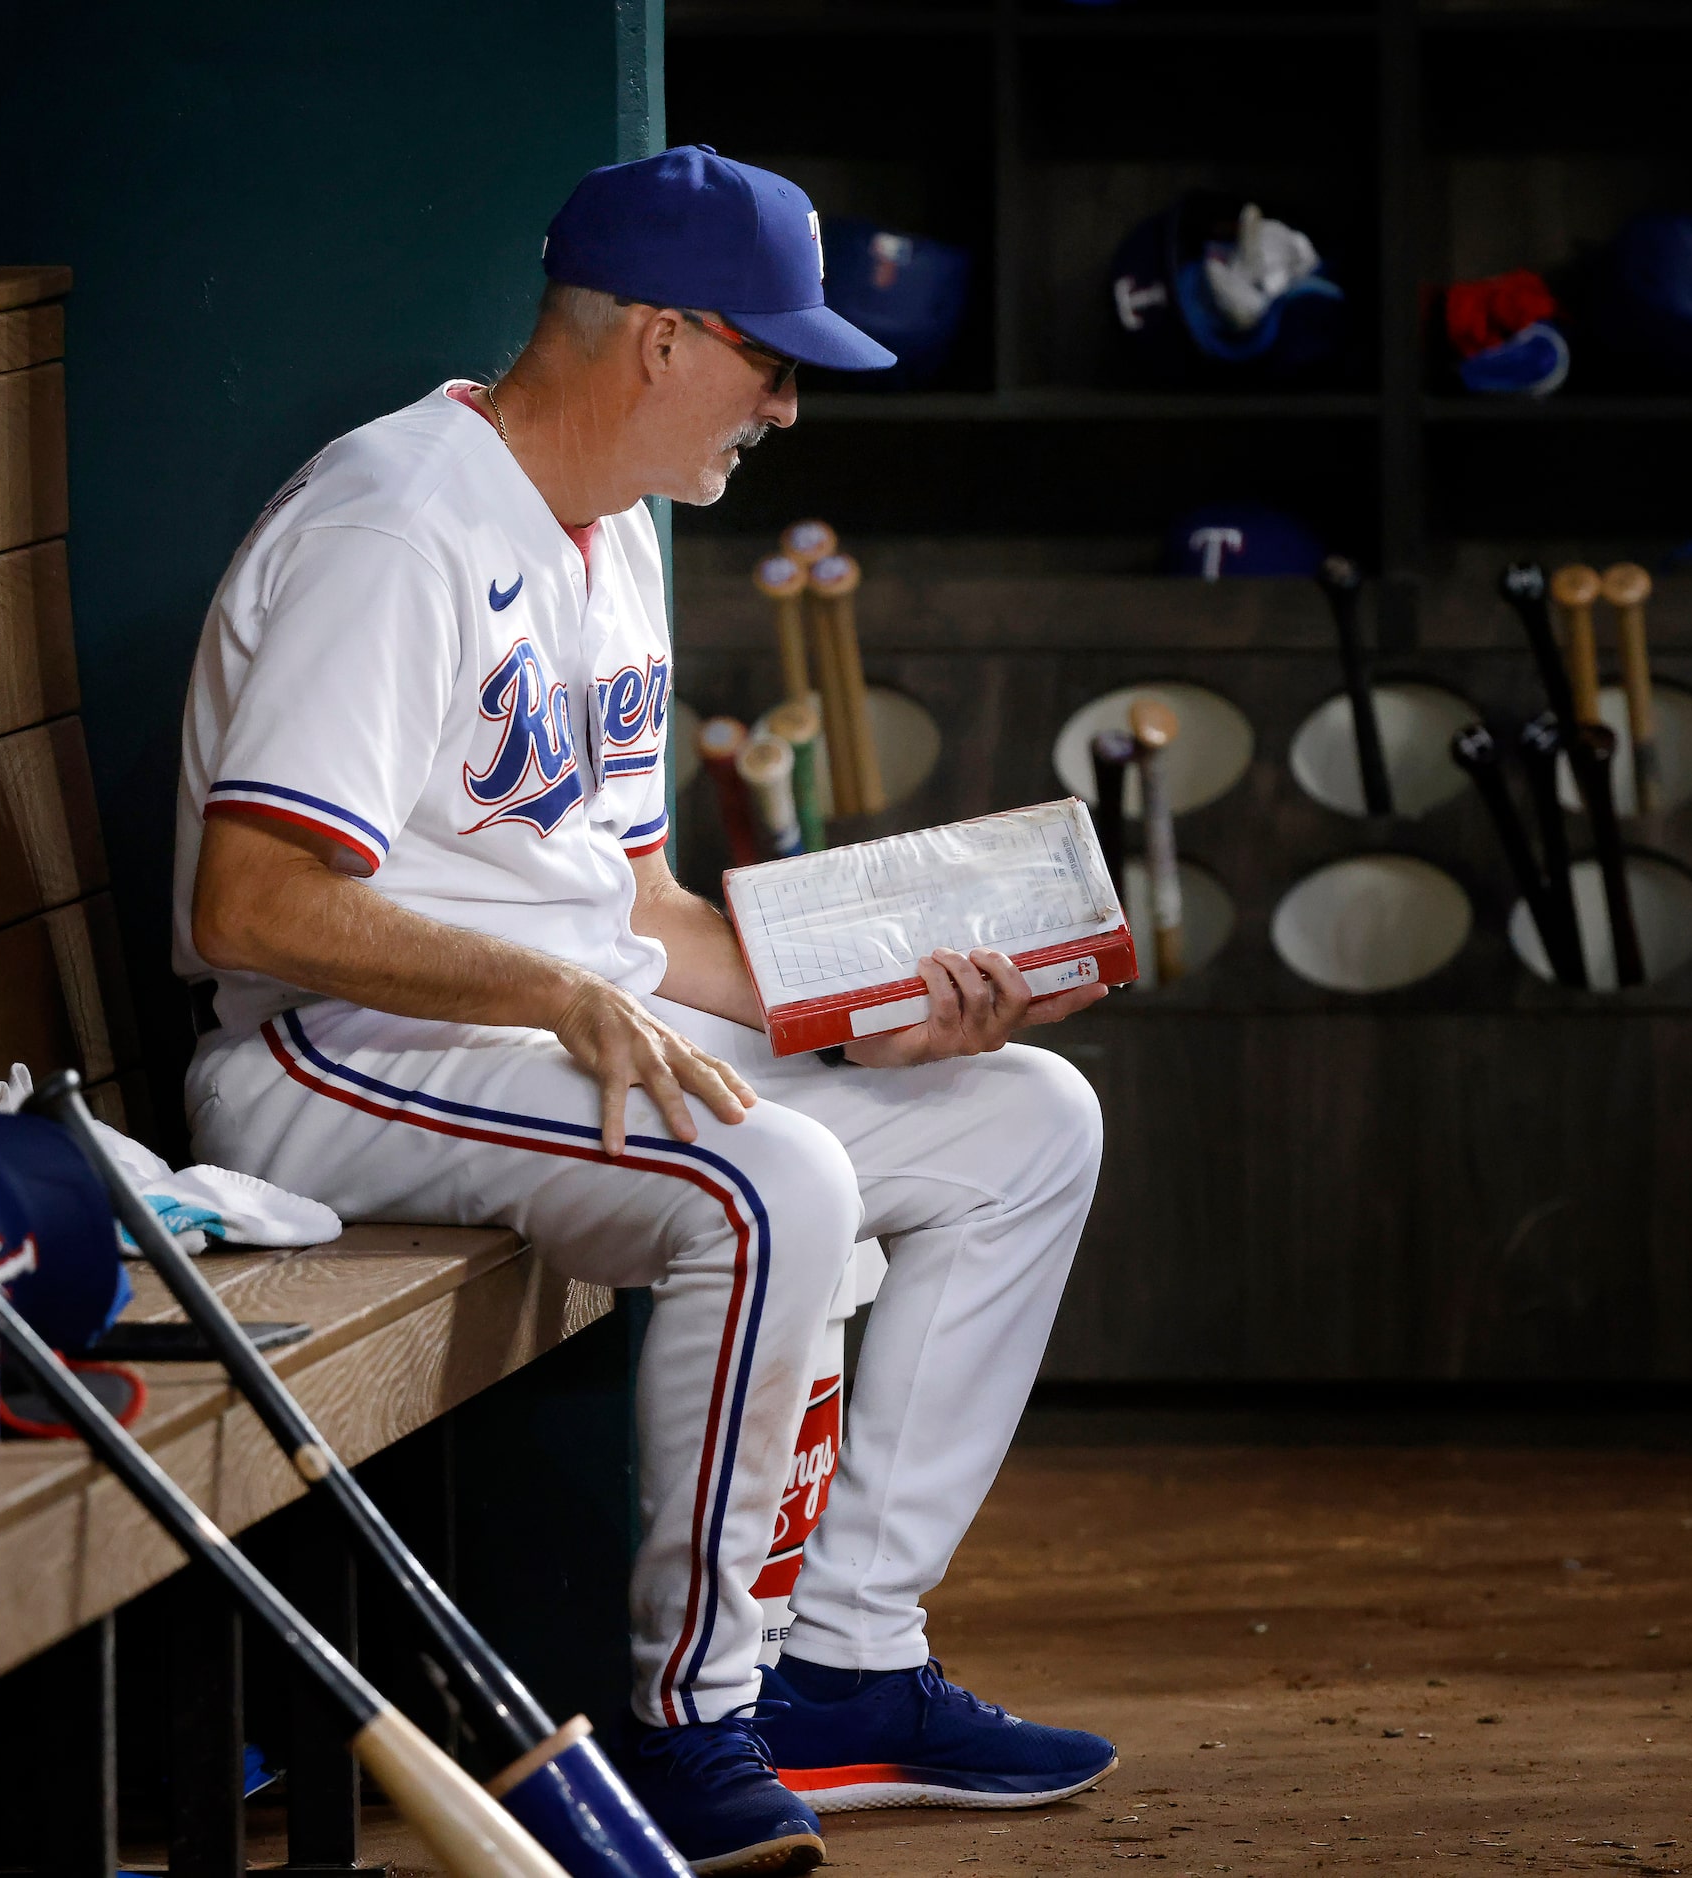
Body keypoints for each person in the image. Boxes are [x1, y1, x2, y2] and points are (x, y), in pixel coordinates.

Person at [173, 146, 1114, 1875]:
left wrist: (863, 1011)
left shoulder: (611, 543)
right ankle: (693, 1721)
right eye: (776, 361)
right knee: (773, 1182)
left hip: (542, 1035)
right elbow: (253, 902)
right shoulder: (397, 521)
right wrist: (552, 990)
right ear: (664, 339)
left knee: (1029, 1123)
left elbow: (642, 910)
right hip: (340, 1060)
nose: (790, 407)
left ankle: (846, 1668)